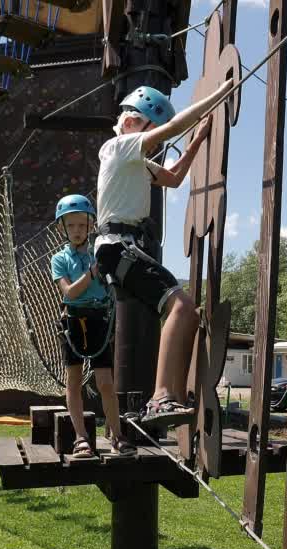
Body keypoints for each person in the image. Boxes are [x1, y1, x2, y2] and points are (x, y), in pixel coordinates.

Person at [93, 82, 234, 429]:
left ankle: (164, 396)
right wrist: (220, 93)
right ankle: (160, 398)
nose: (154, 140)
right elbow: (173, 128)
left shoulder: (135, 161)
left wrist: (198, 140)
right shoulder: (119, 147)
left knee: (182, 312)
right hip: (117, 244)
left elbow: (174, 178)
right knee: (182, 307)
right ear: (130, 123)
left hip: (120, 247)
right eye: (150, 130)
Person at [50, 194, 133, 458]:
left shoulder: (99, 253)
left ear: (90, 226)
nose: (76, 231)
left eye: (82, 225)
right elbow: (69, 293)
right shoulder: (59, 260)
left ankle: (117, 436)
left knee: (105, 382)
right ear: (62, 228)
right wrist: (92, 273)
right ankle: (81, 439)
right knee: (73, 381)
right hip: (73, 320)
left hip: (99, 319)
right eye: (71, 225)